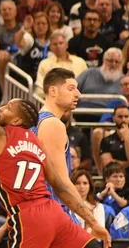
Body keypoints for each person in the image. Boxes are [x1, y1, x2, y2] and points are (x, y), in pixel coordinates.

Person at [0, 18, 111, 247]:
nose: (0, 108)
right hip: (54, 212)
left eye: (7, 107)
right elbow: (61, 186)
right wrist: (92, 221)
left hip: (28, 216)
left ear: (17, 119)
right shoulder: (36, 143)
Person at [30, 68, 83, 223]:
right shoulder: (53, 124)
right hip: (54, 209)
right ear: (53, 91)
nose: (78, 93)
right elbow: (61, 182)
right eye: (71, 88)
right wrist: (87, 214)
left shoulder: (36, 121)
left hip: (39, 208)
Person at [99, 105, 129, 191]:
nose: (123, 120)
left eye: (126, 117)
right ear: (114, 118)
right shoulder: (106, 141)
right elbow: (108, 164)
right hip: (112, 187)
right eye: (120, 117)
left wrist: (127, 139)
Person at [34, 31, 88, 97]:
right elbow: (39, 90)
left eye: (61, 43)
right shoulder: (44, 64)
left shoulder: (80, 62)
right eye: (55, 44)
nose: (58, 46)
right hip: (53, 102)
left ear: (67, 45)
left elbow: (87, 86)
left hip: (79, 101)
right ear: (50, 47)